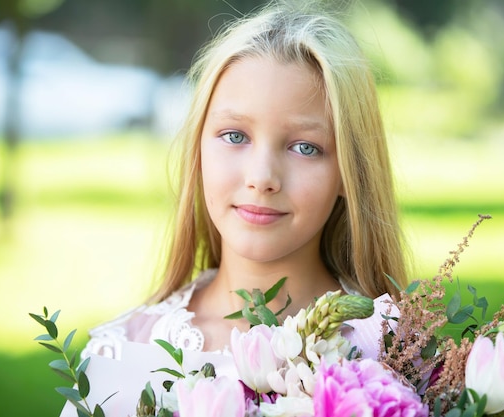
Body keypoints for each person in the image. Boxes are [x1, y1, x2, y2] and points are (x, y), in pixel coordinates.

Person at [82, 0, 407, 360]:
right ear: (198, 152)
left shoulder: (397, 355)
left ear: (350, 171)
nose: (262, 178)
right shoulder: (122, 355)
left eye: (304, 147)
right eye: (235, 136)